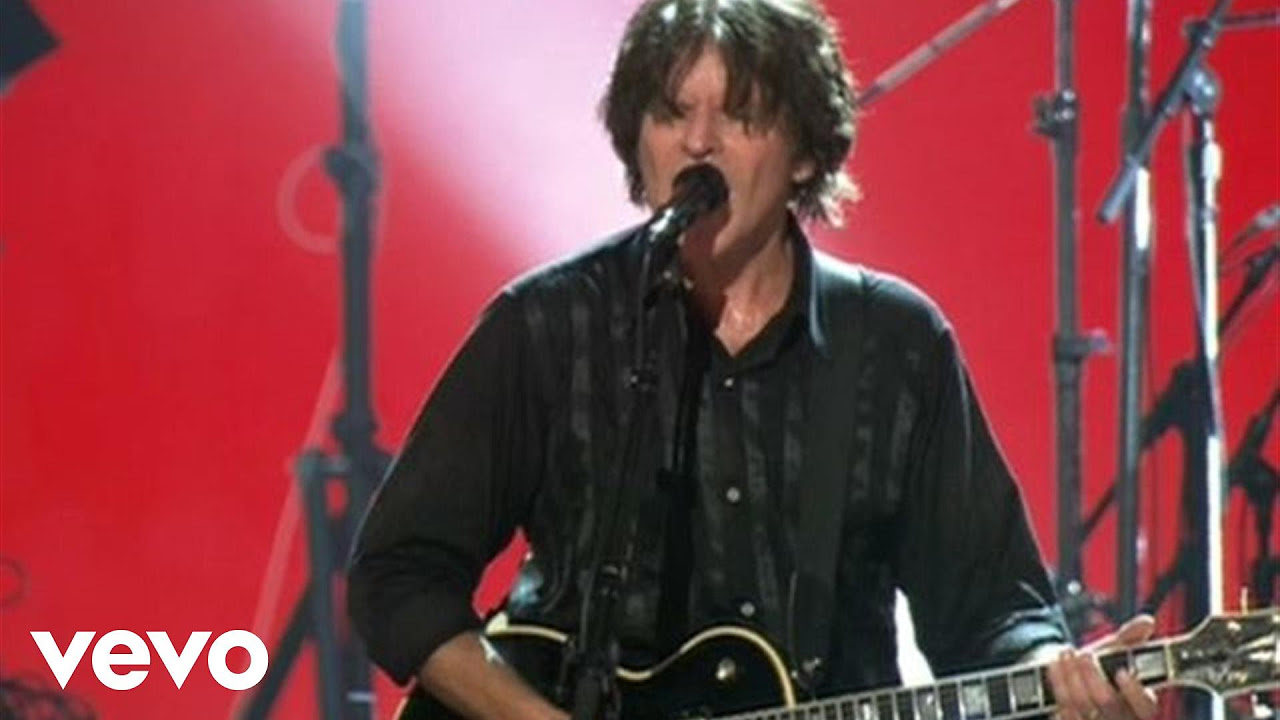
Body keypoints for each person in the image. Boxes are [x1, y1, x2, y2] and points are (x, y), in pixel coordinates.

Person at [348, 1, 1159, 719]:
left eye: (739, 115)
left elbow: (991, 610)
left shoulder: (894, 342)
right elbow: (398, 575)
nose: (698, 143)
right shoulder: (552, 324)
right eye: (671, 114)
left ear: (804, 151)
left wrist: (1055, 677)